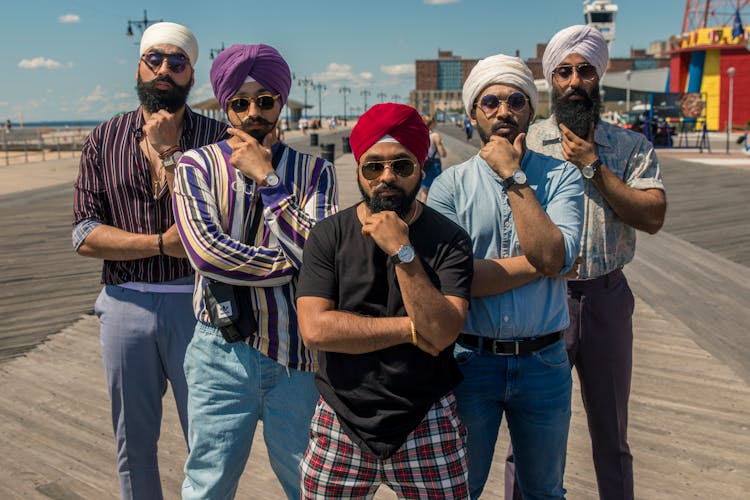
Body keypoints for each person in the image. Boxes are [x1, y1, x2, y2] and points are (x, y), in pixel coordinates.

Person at [171, 43, 338, 499]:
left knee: (309, 485)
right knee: (208, 483)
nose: (252, 113)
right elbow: (206, 254)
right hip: (219, 353)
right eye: (239, 102)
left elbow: (317, 255)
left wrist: (268, 180)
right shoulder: (195, 166)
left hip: (295, 356)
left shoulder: (314, 171)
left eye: (265, 100)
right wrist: (291, 264)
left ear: (281, 101)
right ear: (226, 104)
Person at [72, 22, 227, 499]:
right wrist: (160, 242)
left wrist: (169, 153)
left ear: (191, 77)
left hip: (199, 308)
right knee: (133, 442)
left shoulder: (216, 138)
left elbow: (223, 220)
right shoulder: (104, 139)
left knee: (208, 440)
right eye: (155, 59)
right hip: (125, 303)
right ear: (139, 66)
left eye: (177, 63)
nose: (164, 69)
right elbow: (83, 233)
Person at [517, 25, 667, 500]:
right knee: (530, 435)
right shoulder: (528, 144)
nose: (575, 80)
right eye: (564, 71)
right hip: (540, 298)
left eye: (584, 70)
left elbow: (653, 216)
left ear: (598, 76)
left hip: (605, 297)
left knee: (611, 432)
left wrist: (593, 167)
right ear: (551, 80)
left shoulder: (629, 147)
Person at [296, 103, 474, 498]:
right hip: (341, 418)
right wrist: (413, 331)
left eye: (401, 165)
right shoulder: (329, 235)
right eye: (373, 167)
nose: (387, 177)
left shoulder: (450, 239)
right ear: (359, 170)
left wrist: (403, 252)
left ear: (421, 168)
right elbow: (315, 329)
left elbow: (443, 332)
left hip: (426, 416)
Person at [427, 54, 584, 499]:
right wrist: (545, 264)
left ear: (531, 111)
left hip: (544, 361)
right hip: (471, 361)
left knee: (544, 491)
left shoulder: (561, 177)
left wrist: (513, 177)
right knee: (460, 489)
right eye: (490, 101)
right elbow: (456, 280)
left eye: (516, 99)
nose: (503, 111)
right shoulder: (449, 187)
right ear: (473, 112)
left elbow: (556, 254)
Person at [417, 114, 447, 202]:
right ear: (432, 123)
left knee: (424, 191)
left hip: (424, 165)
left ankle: (424, 213)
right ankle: (435, 212)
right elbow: (442, 154)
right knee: (437, 189)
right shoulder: (435, 136)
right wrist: (443, 150)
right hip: (434, 165)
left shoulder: (419, 136)